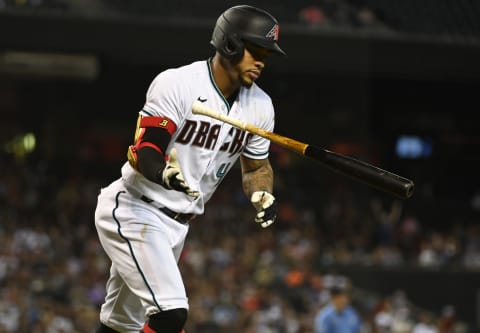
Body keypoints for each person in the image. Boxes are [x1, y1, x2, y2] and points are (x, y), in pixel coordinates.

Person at [93, 5, 286, 333]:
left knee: (119, 326)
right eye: (256, 50)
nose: (261, 61)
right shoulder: (178, 83)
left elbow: (256, 169)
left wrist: (261, 193)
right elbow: (147, 149)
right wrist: (163, 173)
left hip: (179, 225)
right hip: (136, 207)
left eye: (266, 54)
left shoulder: (261, 107)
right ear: (230, 44)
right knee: (171, 315)